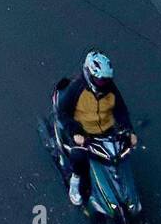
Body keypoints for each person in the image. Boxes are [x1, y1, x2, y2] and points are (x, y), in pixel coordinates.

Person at [57, 51, 137, 206]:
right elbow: (63, 113)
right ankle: (75, 181)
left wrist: (129, 130)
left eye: (106, 80)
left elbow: (120, 110)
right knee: (79, 157)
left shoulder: (111, 89)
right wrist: (75, 132)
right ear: (89, 75)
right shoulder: (76, 89)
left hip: (106, 132)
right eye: (100, 81)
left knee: (120, 154)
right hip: (83, 132)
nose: (104, 84)